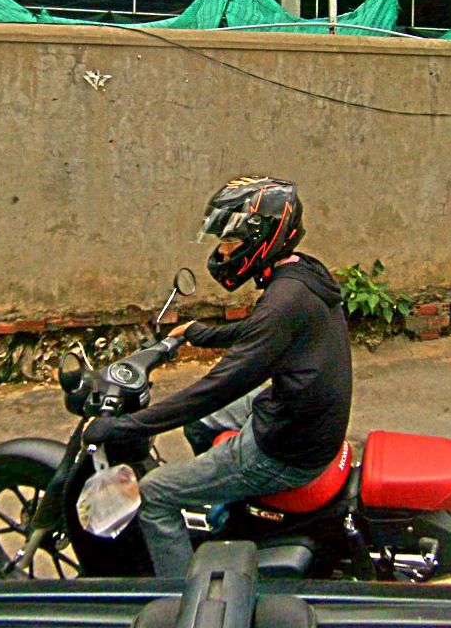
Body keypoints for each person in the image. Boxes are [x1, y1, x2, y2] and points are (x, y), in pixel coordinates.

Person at [83, 176, 353, 578]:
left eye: (230, 240)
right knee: (200, 425)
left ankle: (181, 598)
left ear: (262, 239)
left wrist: (126, 425)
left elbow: (217, 388)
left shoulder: (284, 301)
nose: (222, 251)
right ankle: (225, 506)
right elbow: (262, 332)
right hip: (302, 420)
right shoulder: (303, 274)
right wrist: (200, 333)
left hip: (286, 450)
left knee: (155, 495)